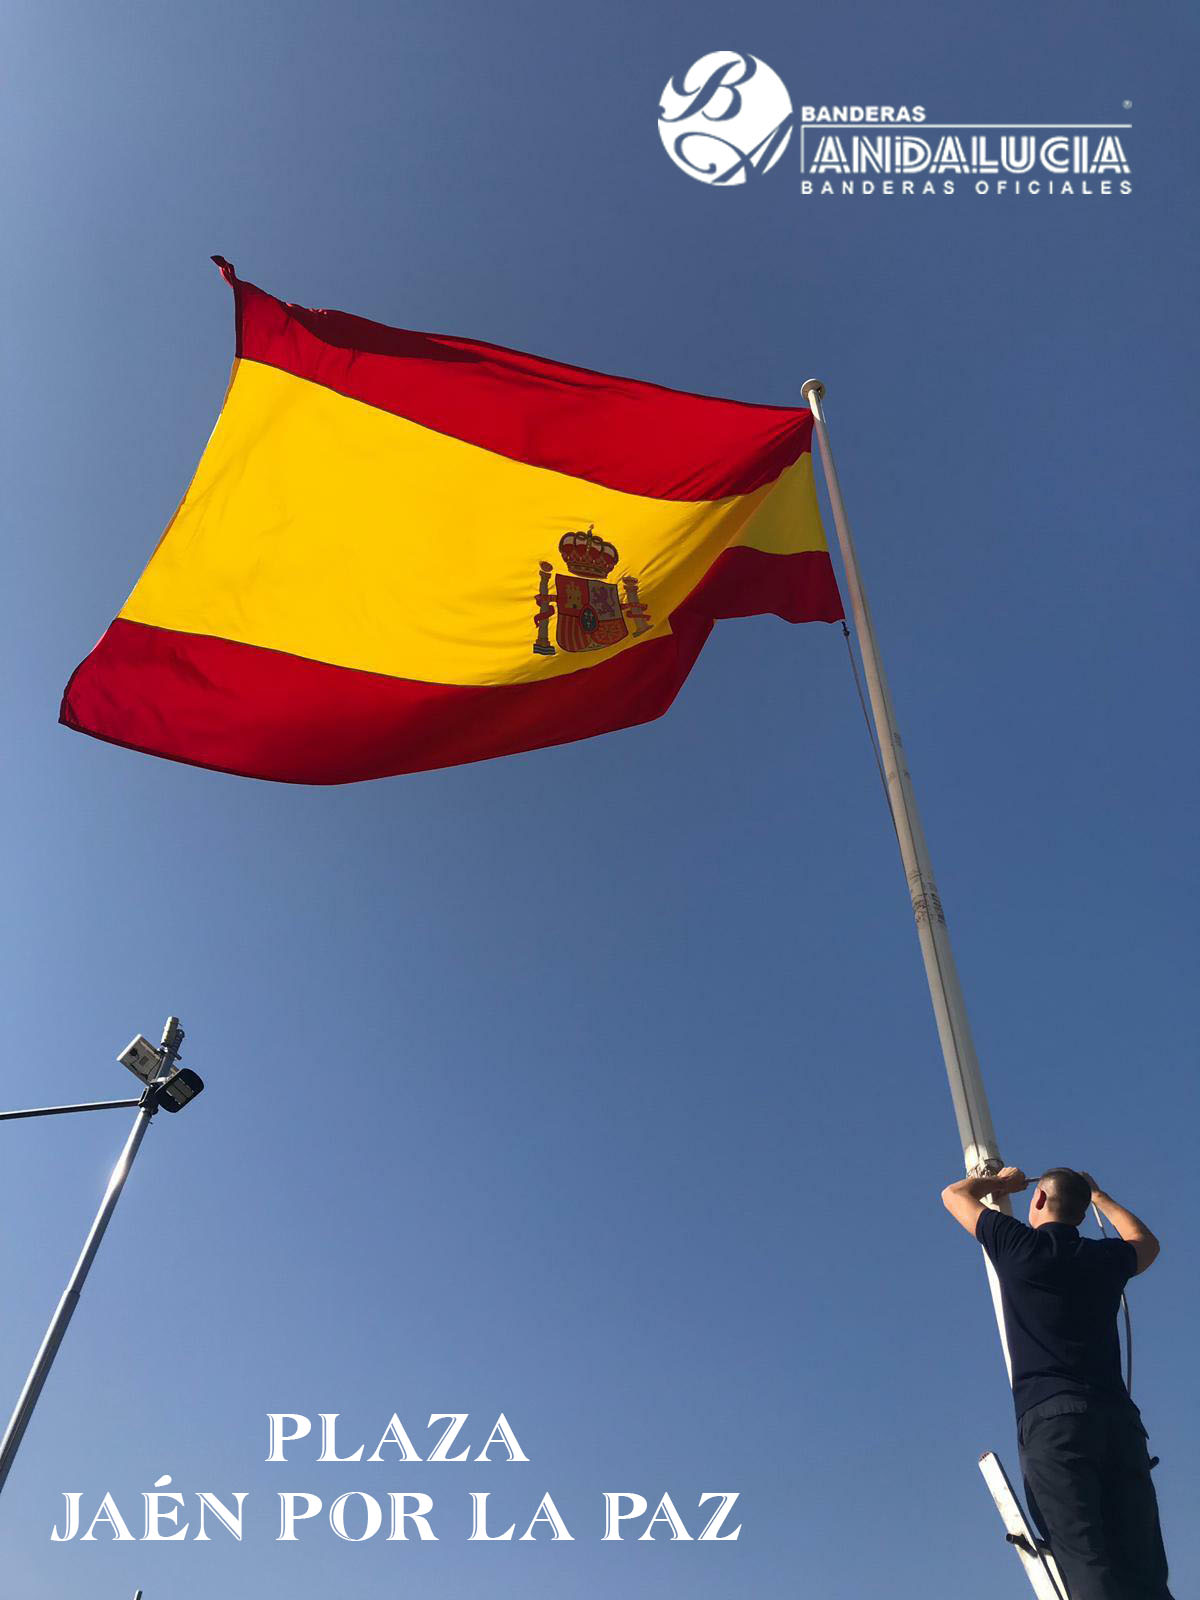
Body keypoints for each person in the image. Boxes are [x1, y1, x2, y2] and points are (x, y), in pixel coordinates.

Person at [941, 1164, 1173, 1600]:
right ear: (1082, 1215)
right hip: (1118, 1423)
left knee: (1086, 1561)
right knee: (1145, 1572)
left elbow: (953, 1194)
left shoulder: (1019, 1246)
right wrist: (1101, 1196)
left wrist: (1000, 1184)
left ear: (1040, 1198)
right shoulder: (1103, 1258)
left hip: (1054, 1422)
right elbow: (1146, 1242)